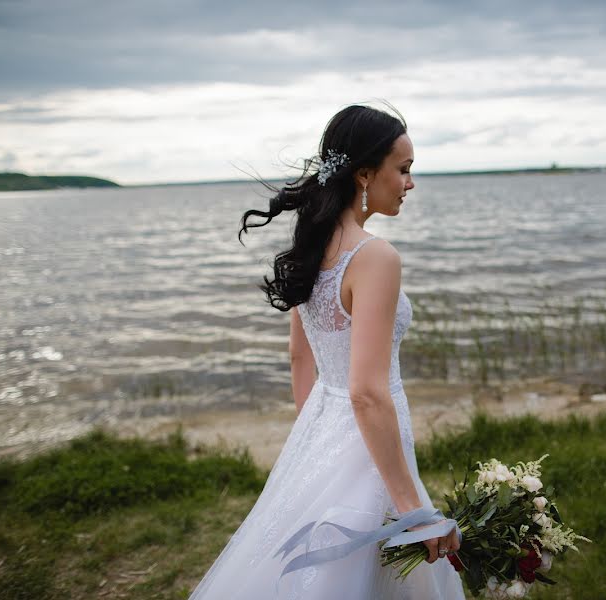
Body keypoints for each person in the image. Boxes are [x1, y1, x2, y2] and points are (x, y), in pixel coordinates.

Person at [188, 104, 465, 599]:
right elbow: (366, 392)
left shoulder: (313, 246)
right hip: (366, 438)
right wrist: (414, 513)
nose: (410, 182)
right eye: (403, 170)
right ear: (364, 174)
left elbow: (301, 359)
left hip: (321, 429)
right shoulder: (374, 256)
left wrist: (315, 442)